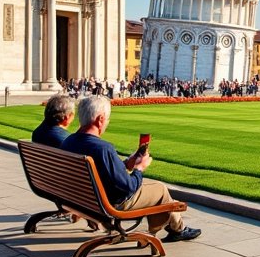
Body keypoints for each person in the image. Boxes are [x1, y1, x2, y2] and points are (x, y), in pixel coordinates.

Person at [60, 95, 200, 243]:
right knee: (160, 189)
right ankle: (173, 230)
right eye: (107, 119)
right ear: (100, 119)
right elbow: (128, 187)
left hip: (81, 200)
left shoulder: (69, 141)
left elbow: (106, 170)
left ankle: (176, 227)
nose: (107, 122)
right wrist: (140, 168)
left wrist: (127, 163)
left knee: (157, 191)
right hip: (108, 204)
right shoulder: (103, 148)